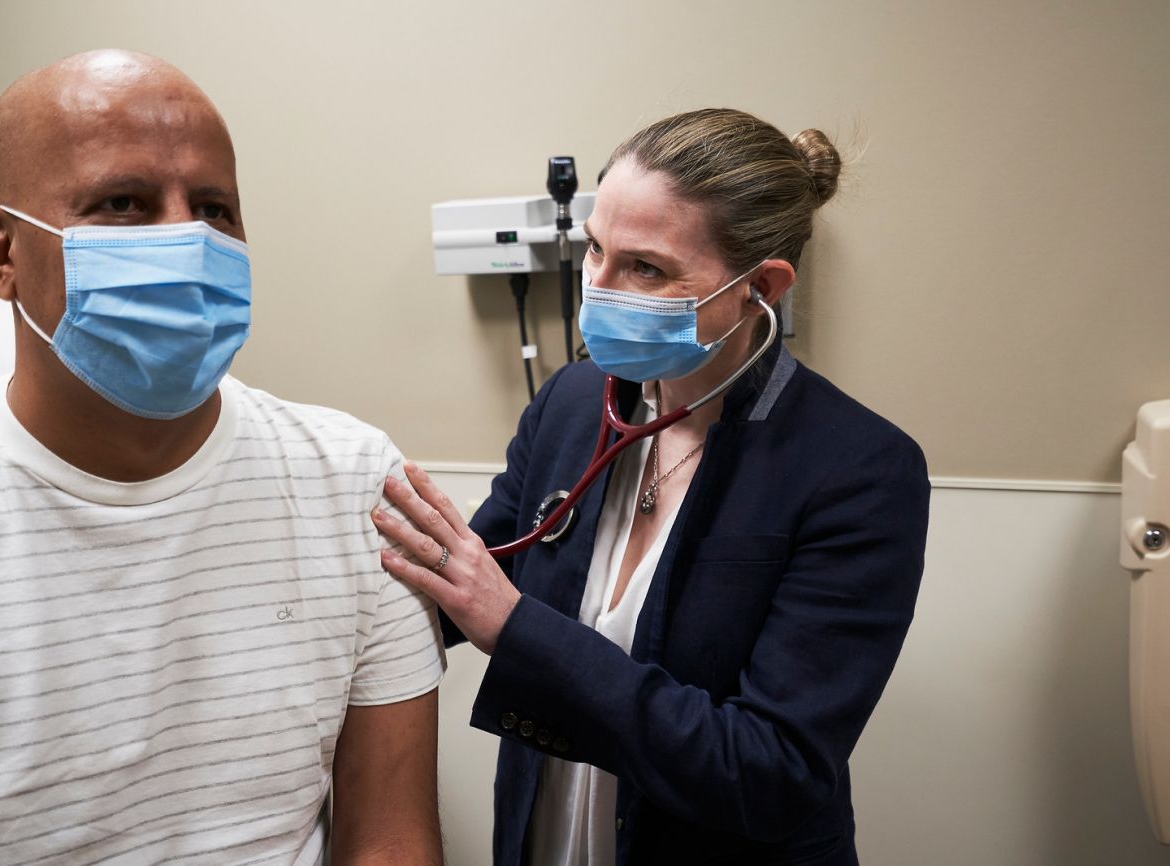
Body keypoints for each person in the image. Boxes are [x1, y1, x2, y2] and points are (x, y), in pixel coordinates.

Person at [0, 50, 445, 866]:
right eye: (124, 204)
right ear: (1, 252)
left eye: (214, 209)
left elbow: (390, 839)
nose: (186, 240)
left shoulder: (352, 481)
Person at [373, 108, 930, 865]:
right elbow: (474, 570)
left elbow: (768, 771)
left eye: (646, 268)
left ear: (759, 288)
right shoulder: (573, 402)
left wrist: (516, 628)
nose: (596, 290)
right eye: (595, 250)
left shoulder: (858, 472)